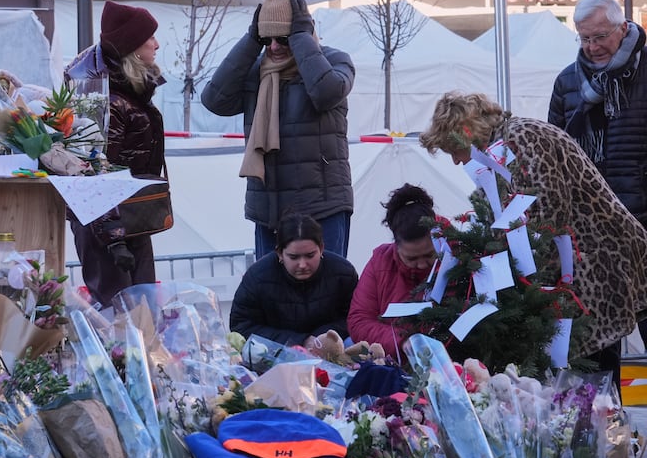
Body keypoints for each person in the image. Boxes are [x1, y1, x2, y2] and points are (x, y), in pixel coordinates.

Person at [421, 91, 647, 385]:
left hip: (595, 263)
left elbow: (546, 213)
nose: (454, 161)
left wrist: (507, 266)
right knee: (590, 369)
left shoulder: (523, 138)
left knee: (594, 370)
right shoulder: (502, 147)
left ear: (467, 133)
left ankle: (605, 428)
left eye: (453, 149)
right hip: (580, 264)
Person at [200, 0, 354, 261]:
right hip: (270, 211)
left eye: (282, 38)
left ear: (301, 34)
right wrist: (250, 42)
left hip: (322, 208)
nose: (273, 47)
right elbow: (214, 100)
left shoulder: (334, 61)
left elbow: (326, 92)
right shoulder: (257, 72)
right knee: (271, 300)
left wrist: (300, 39)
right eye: (266, 38)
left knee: (329, 297)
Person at [548, 0, 647, 345]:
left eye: (600, 36)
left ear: (621, 28)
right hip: (593, 238)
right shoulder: (568, 83)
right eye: (585, 38)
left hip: (643, 228)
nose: (592, 46)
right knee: (595, 344)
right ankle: (602, 402)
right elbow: (553, 161)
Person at [69, 0, 166, 308]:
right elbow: (94, 172)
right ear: (132, 47)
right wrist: (114, 236)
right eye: (150, 37)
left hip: (128, 219)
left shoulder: (127, 91)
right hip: (108, 227)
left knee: (142, 316)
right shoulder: (106, 99)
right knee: (120, 319)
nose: (157, 44)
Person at [228, 213, 358, 348]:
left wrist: (321, 338)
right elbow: (241, 325)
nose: (302, 264)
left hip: (332, 349)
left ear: (321, 249)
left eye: (310, 255)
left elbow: (355, 318)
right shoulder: (257, 277)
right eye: (294, 257)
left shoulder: (343, 273)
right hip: (276, 355)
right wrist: (299, 340)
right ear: (279, 254)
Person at [347, 184, 440, 363]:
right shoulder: (380, 262)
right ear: (396, 246)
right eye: (412, 258)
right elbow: (359, 320)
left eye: (429, 255)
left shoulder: (455, 261)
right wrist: (404, 341)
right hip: (391, 357)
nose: (421, 265)